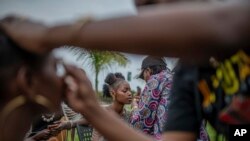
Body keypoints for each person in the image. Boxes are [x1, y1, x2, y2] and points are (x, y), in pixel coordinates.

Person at [1, 0, 250, 141]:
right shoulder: (187, 73)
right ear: (27, 82)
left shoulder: (234, 22)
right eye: (141, 9)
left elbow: (224, 26)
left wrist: (49, 34)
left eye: (152, 4)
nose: (149, 19)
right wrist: (92, 110)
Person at [130, 56, 173, 140]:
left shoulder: (156, 79)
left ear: (148, 70)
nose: (145, 81)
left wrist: (135, 106)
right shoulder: (173, 77)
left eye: (143, 76)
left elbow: (142, 120)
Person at [92, 72, 133, 141]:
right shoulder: (103, 114)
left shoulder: (128, 115)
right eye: (125, 91)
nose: (129, 94)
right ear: (113, 93)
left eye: (129, 91)